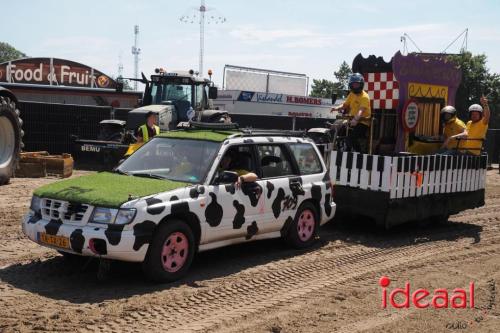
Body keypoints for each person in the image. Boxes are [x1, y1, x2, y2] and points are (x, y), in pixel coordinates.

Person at [331, 73, 372, 152]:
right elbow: (345, 105)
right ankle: (341, 149)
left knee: (351, 138)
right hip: (352, 120)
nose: (355, 86)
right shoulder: (351, 94)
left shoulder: (365, 96)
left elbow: (361, 110)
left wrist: (356, 120)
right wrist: (336, 108)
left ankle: (359, 154)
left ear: (361, 85)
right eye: (353, 84)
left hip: (363, 122)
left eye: (356, 84)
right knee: (339, 131)